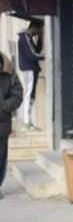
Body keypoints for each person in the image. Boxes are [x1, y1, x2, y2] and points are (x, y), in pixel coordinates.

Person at [0, 51, 23, 199]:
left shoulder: (7, 69)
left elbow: (18, 94)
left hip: (1, 124)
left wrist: (3, 107)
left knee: (1, 157)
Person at [16, 19, 43, 130]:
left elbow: (36, 50)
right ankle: (26, 122)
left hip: (32, 69)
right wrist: (45, 56)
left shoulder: (29, 38)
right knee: (28, 93)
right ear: (34, 27)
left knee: (31, 94)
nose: (39, 32)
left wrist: (40, 38)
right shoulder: (25, 38)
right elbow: (32, 55)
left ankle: (29, 122)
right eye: (39, 30)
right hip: (29, 69)